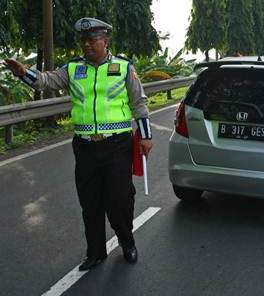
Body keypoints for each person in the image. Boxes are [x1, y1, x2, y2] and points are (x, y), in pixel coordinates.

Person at [4, 17, 153, 270]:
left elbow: (139, 103)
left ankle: (127, 242)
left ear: (105, 42)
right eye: (83, 40)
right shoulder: (73, 69)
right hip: (85, 147)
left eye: (92, 40)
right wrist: (22, 73)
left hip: (117, 145)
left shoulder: (124, 67)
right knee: (90, 202)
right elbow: (45, 80)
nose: (86, 45)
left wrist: (146, 136)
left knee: (119, 200)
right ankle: (95, 252)